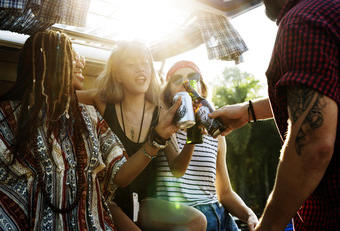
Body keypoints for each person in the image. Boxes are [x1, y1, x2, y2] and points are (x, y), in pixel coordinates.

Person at [210, 0, 339, 230]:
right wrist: (248, 111)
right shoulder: (329, 5)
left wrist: (267, 227)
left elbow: (313, 146)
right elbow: (326, 94)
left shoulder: (302, 22)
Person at [0, 30, 129, 230]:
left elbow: (120, 172)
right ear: (49, 63)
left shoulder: (90, 116)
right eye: (73, 57)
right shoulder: (7, 115)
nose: (81, 62)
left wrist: (159, 137)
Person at [77, 42, 207, 230]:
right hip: (106, 199)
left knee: (197, 221)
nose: (140, 69)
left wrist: (194, 133)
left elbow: (177, 169)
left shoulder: (161, 114)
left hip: (142, 201)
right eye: (131, 64)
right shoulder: (102, 101)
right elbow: (55, 98)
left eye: (145, 63)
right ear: (117, 75)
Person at [156, 60, 259, 231]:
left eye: (192, 78)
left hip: (220, 216)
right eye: (177, 79)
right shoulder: (163, 127)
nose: (185, 83)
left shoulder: (216, 136)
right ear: (168, 93)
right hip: (185, 219)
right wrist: (193, 130)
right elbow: (177, 169)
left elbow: (224, 193)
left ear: (202, 90)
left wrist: (249, 214)